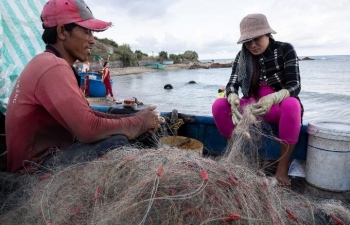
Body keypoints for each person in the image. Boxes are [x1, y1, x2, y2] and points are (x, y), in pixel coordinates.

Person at [5, 0, 162, 173]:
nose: (92, 41)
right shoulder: (53, 67)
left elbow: (88, 115)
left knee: (125, 118)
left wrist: (137, 116)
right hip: (33, 171)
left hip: (49, 158)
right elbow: (89, 129)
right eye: (87, 32)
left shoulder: (49, 63)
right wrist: (140, 123)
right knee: (118, 142)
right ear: (62, 31)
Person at [212, 13, 302, 186]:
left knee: (293, 104)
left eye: (256, 38)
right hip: (252, 108)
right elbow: (232, 83)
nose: (252, 45)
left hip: (276, 107)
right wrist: (232, 97)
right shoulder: (242, 56)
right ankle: (239, 158)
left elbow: (295, 85)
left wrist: (275, 97)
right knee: (218, 105)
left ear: (267, 33)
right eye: (247, 41)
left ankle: (282, 168)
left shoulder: (285, 49)